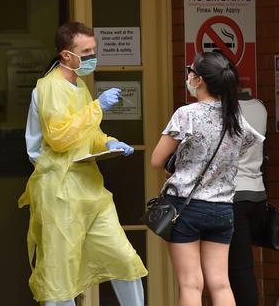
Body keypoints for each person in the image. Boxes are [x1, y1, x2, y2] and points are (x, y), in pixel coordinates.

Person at [19, 22, 148, 306]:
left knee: (124, 259)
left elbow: (88, 134)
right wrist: (98, 107)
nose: (92, 56)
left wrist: (108, 143)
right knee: (59, 274)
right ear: (66, 55)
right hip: (60, 189)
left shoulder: (78, 86)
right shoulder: (50, 87)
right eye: (86, 51)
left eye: (93, 50)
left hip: (89, 189)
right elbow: (59, 137)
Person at [151, 51, 264, 306]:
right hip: (224, 208)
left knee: (191, 284)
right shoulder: (235, 117)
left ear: (198, 80)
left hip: (186, 206)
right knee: (221, 283)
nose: (188, 76)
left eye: (190, 72)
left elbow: (156, 160)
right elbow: (240, 150)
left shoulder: (186, 114)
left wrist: (181, 166)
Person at [229, 95, 268, 305]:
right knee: (240, 267)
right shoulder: (259, 107)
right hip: (257, 195)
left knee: (238, 271)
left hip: (233, 197)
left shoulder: (221, 111)